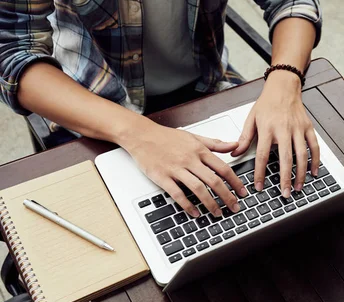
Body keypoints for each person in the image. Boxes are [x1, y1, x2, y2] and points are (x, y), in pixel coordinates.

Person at [0, 0, 322, 219]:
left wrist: (285, 80)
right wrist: (138, 134)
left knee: (286, 216)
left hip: (207, 90)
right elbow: (12, 51)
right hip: (94, 110)